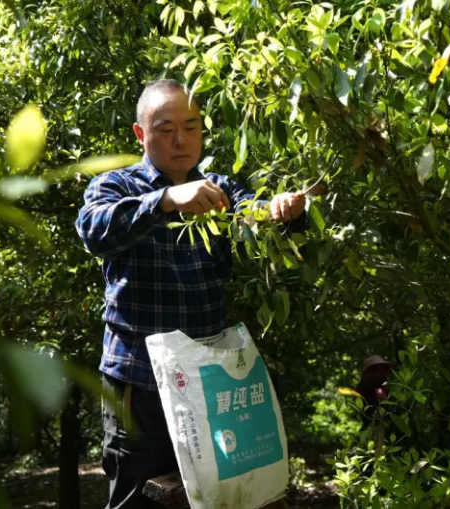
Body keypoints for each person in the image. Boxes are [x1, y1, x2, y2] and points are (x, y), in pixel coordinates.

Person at [74, 79, 306, 509]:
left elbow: (258, 215)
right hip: (140, 385)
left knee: (216, 497)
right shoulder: (117, 186)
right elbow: (93, 229)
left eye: (192, 127)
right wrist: (164, 200)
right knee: (138, 498)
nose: (181, 139)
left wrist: (286, 211)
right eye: (164, 128)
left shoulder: (219, 189)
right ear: (140, 134)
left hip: (206, 384)